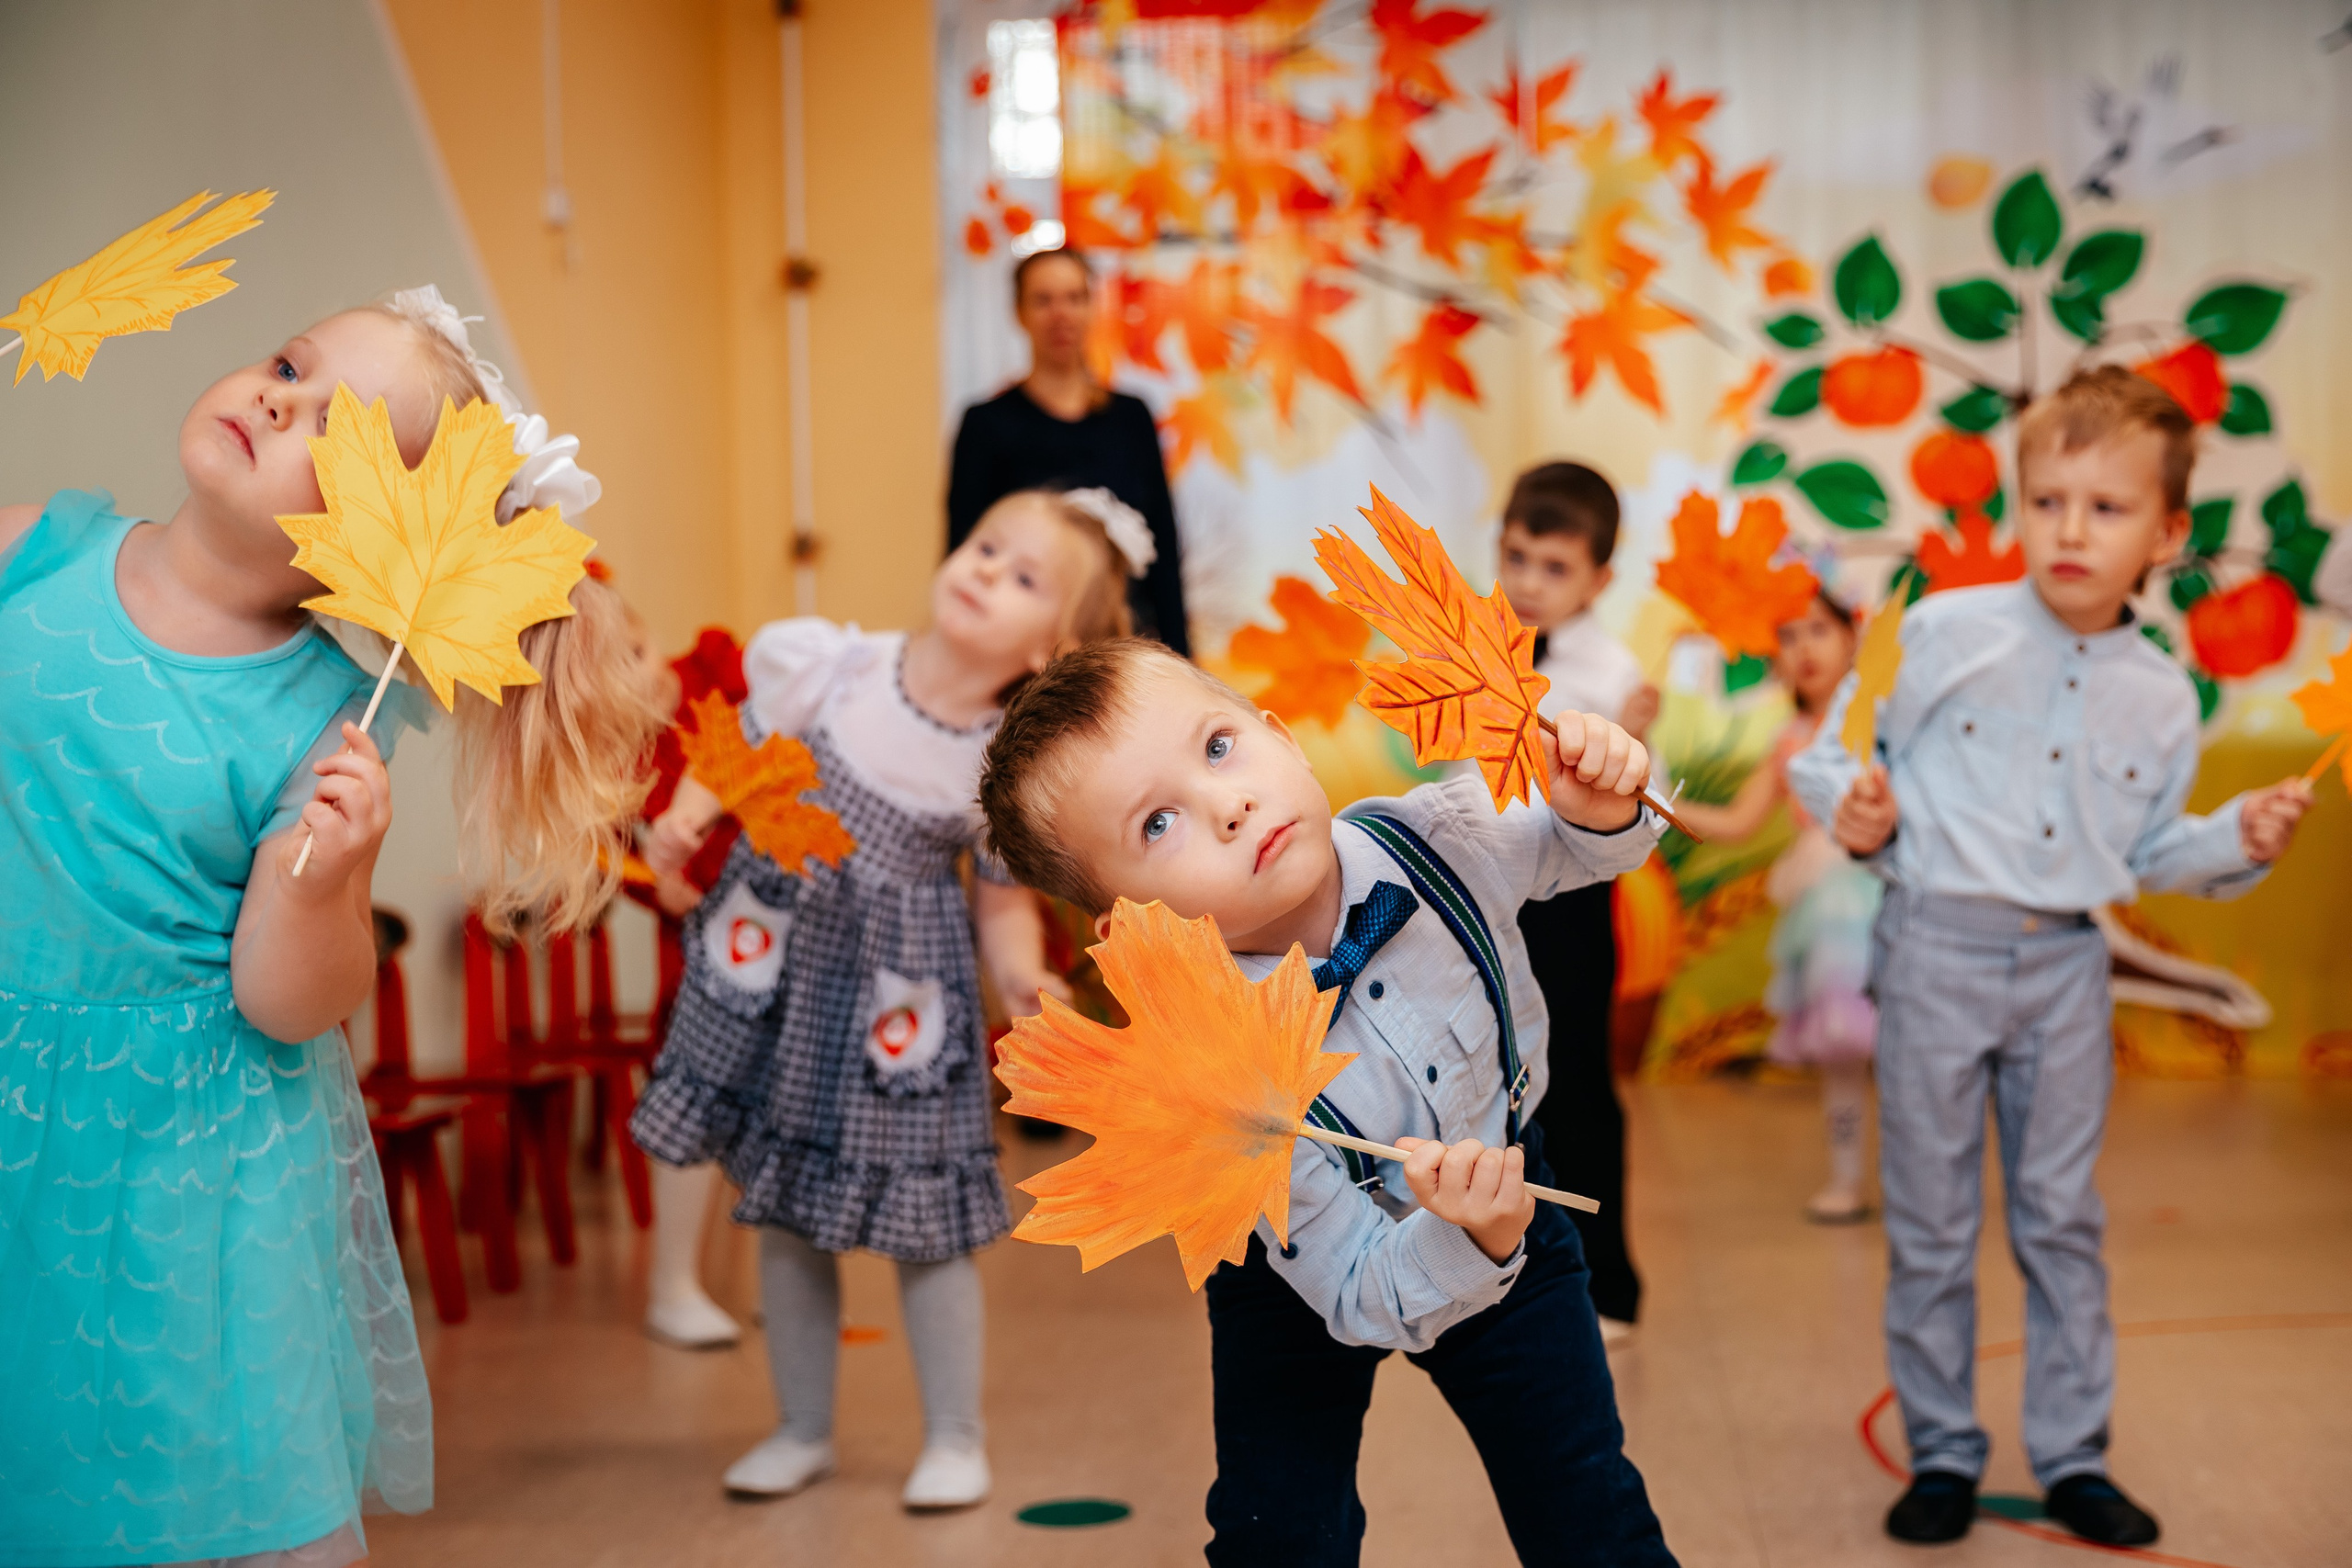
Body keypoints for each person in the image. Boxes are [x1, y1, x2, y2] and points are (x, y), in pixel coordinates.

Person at [0, 288, 666, 1566]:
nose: (273, 396)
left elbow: (287, 1003)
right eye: (287, 364)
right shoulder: (39, 546)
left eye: (331, 424)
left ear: (385, 539)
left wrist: (318, 884)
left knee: (197, 1451)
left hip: (184, 1155)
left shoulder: (324, 720)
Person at [977, 638, 1679, 1567]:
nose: (1227, 807)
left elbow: (1579, 843)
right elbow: (1355, 1289)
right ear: (1127, 928)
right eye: (1157, 825)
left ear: (1284, 740)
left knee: (1589, 1511)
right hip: (1294, 1283)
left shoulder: (1439, 836)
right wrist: (1460, 1238)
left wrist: (1603, 805)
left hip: (1513, 1209)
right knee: (1279, 1536)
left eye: (1219, 748)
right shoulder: (1215, 1086)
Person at [1789, 367, 2313, 1549]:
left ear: (2168, 533)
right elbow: (1833, 760)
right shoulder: (1937, 633)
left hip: (2068, 969)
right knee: (1928, 1220)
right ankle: (1941, 1454)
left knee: (2059, 1218)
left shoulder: (2165, 698)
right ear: (2020, 505)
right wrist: (1856, 811)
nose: (2070, 530)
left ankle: (2074, 1456)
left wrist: (2237, 839)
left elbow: (2146, 851)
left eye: (2107, 507)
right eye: (2046, 500)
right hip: (1932, 948)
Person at [632, 488, 1146, 1512]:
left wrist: (1021, 984)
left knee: (930, 1227)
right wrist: (684, 820)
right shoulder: (834, 664)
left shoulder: (997, 767)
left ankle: (956, 1437)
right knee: (783, 1211)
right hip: (781, 970)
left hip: (898, 1010)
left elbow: (1000, 906)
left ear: (1048, 652)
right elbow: (740, 755)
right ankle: (801, 1429)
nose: (986, 570)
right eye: (985, 546)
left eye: (1024, 577)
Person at [1495, 461, 1657, 1340]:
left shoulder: (1612, 671)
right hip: (1490, 895)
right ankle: (1515, 1269)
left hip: (1572, 905)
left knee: (1582, 1088)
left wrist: (1634, 742)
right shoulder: (1477, 649)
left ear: (1599, 579)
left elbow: (1642, 800)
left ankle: (1609, 1281)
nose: (1527, 582)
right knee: (1502, 1086)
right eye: (1516, 557)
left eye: (1554, 567)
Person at [1674, 591, 1880, 1222]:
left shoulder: (1882, 721)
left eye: (1818, 629)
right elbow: (1736, 820)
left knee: (1913, 1055)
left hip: (1891, 894)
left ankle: (1923, 1177)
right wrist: (1651, 799)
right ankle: (1847, 1178)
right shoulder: (1790, 740)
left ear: (1853, 635)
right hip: (1826, 911)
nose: (1804, 648)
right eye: (1787, 636)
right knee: (1843, 1050)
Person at [946, 247, 1190, 654]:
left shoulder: (1131, 418)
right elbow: (964, 549)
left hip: (1126, 641)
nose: (1061, 314)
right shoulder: (985, 425)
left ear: (1092, 307)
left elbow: (1164, 547)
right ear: (1019, 313)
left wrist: (1180, 654)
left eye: (1075, 298)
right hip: (1022, 650)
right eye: (1044, 300)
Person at [628, 626, 752, 1349]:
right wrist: (655, 888)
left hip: (782, 911)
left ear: (652, 637)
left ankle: (786, 1278)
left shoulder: (718, 674)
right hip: (702, 937)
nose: (635, 681)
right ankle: (672, 1282)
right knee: (695, 1090)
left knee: (784, 1098)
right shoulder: (616, 743)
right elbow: (606, 850)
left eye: (635, 656)